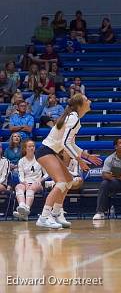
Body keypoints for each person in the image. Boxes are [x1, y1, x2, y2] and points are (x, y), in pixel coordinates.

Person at [34, 94, 102, 228]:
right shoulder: (74, 118)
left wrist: (87, 156)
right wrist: (80, 160)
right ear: (80, 104)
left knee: (69, 181)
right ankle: (43, 216)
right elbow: (66, 144)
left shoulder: (74, 118)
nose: (90, 101)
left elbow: (70, 143)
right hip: (45, 151)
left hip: (51, 151)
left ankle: (56, 213)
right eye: (87, 99)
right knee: (61, 182)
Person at [13, 140, 46, 221]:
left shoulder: (40, 159)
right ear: (25, 148)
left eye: (33, 146)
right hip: (25, 182)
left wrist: (41, 180)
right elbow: (21, 175)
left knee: (31, 188)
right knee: (18, 187)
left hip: (37, 183)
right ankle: (22, 208)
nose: (32, 148)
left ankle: (26, 209)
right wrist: (24, 182)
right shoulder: (21, 161)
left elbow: (47, 173)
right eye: (29, 146)